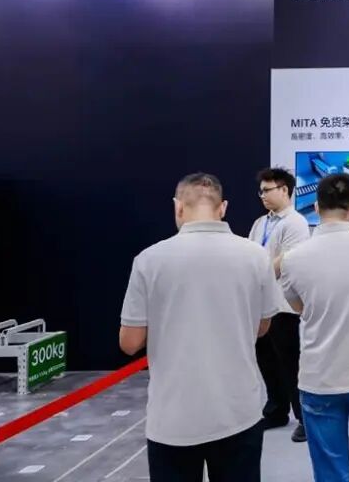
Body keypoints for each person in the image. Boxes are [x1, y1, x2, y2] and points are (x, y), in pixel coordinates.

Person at [119, 173, 281, 482]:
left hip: (173, 416)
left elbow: (130, 342)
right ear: (223, 208)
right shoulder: (255, 256)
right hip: (238, 410)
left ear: (178, 207)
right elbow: (262, 327)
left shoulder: (149, 260)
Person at [278, 174, 349, 482]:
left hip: (319, 376)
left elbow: (297, 307)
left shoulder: (293, 258)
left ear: (316, 207)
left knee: (330, 470)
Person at [247, 167, 311, 442]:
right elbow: (250, 253)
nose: (262, 195)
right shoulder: (261, 222)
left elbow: (287, 260)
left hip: (283, 306)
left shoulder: (296, 222)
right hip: (259, 304)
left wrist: (256, 277)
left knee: (290, 363)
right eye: (260, 191)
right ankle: (276, 410)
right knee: (266, 361)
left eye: (267, 190)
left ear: (284, 190)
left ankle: (305, 418)